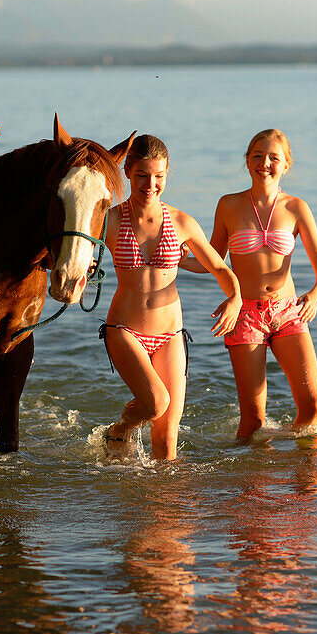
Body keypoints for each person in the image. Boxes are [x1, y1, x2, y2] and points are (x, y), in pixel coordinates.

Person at [183, 129, 317, 440]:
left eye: (273, 157)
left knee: (313, 405)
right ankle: (251, 484)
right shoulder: (229, 205)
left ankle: (303, 478)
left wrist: (316, 296)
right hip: (246, 315)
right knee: (253, 421)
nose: (265, 163)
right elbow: (213, 260)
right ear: (247, 161)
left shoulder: (296, 208)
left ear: (286, 165)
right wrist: (175, 257)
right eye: (257, 156)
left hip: (288, 312)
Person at [101, 135, 241, 461]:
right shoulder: (109, 219)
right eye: (142, 176)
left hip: (170, 334)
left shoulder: (182, 222)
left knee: (166, 441)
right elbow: (71, 253)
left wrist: (234, 298)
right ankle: (120, 429)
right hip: (124, 329)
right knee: (155, 403)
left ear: (167, 174)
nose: (151, 184)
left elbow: (219, 267)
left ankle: (162, 507)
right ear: (127, 172)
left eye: (159, 176)